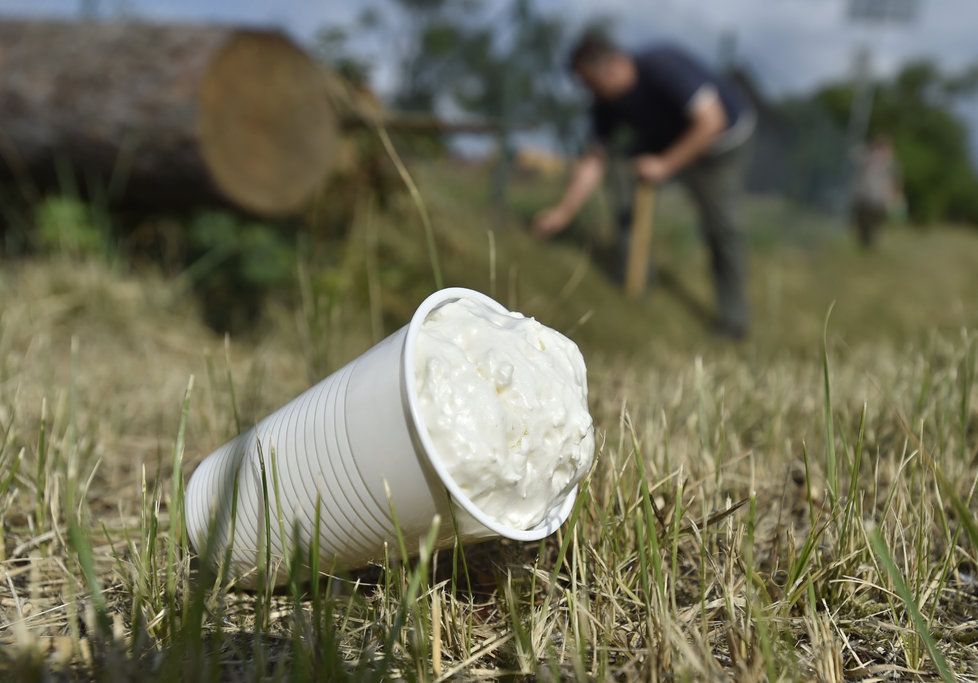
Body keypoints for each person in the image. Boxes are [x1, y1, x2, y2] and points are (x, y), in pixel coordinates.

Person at [534, 33, 756, 339]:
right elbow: (594, 161)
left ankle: (733, 322)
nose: (589, 92)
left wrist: (665, 165)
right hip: (666, 136)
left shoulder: (664, 67)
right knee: (622, 172)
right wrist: (564, 212)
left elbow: (711, 121)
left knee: (721, 229)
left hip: (720, 143)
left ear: (610, 67)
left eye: (591, 83)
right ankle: (635, 283)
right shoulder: (605, 104)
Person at [851, 135, 903, 249]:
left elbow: (896, 182)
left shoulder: (891, 163)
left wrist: (894, 198)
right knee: (863, 222)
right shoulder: (868, 157)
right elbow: (854, 154)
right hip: (865, 196)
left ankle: (871, 244)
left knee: (875, 224)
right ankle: (864, 243)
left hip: (880, 200)